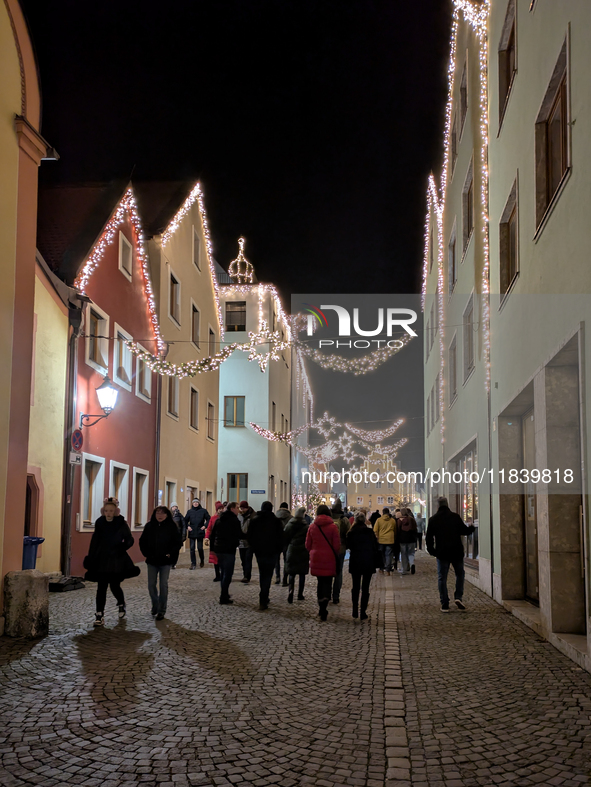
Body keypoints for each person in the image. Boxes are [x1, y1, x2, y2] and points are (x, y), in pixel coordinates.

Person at [83, 498, 139, 627]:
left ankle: (121, 603)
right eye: (106, 511)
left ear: (115, 511)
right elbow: (95, 541)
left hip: (116, 560)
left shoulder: (121, 523)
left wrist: (122, 547)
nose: (108, 513)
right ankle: (99, 614)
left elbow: (129, 539)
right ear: (103, 511)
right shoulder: (100, 523)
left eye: (111, 511)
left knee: (114, 585)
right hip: (102, 559)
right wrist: (91, 557)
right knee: (101, 587)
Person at [426, 496, 476, 612]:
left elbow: (429, 538)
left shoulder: (433, 519)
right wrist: (472, 527)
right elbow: (464, 531)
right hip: (456, 552)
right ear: (447, 504)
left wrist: (432, 551)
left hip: (442, 553)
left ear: (437, 506)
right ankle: (458, 596)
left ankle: (444, 603)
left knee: (442, 577)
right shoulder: (455, 517)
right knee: (460, 574)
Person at [139, 506, 183, 620]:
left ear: (167, 515)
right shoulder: (149, 526)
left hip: (165, 561)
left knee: (163, 584)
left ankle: (161, 610)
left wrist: (170, 554)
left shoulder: (172, 527)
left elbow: (177, 543)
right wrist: (146, 553)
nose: (160, 515)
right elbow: (142, 541)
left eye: (162, 513)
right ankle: (155, 604)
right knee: (151, 585)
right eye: (158, 512)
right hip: (152, 560)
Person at [305, 504, 341, 622]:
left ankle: (321, 606)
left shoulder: (312, 527)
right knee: (328, 582)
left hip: (316, 558)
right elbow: (336, 546)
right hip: (329, 558)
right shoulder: (333, 527)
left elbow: (307, 545)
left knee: (320, 582)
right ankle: (325, 602)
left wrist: (314, 551)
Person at [247, 501, 284, 610]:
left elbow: (250, 536)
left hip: (260, 552)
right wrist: (278, 551)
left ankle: (263, 596)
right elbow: (281, 538)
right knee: (268, 575)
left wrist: (254, 548)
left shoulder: (255, 521)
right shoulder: (276, 522)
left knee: (262, 573)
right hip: (272, 552)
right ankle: (264, 596)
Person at [346, 512, 380, 620]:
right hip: (368, 561)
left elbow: (348, 545)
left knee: (355, 587)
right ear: (364, 520)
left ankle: (355, 609)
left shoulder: (351, 532)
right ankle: (363, 611)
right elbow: (376, 546)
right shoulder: (369, 532)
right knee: (365, 588)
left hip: (355, 561)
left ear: (355, 520)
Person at [208, 501, 242, 604]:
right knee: (227, 573)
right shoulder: (234, 520)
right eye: (237, 508)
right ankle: (223, 596)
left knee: (223, 572)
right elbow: (238, 534)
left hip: (219, 549)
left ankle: (225, 593)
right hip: (228, 550)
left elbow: (212, 535)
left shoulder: (219, 519)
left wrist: (213, 549)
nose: (238, 510)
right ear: (232, 509)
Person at [283, 506, 309, 603]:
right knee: (302, 574)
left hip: (292, 549)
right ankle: (300, 594)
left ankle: (291, 592)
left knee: (292, 573)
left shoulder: (290, 525)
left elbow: (285, 536)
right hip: (303, 551)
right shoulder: (306, 526)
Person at [330, 500, 350, 604]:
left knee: (328, 571)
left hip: (329, 549)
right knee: (339, 571)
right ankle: (336, 596)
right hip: (341, 548)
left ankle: (327, 594)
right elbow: (348, 534)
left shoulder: (328, 518)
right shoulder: (344, 519)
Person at [184, 498, 210, 570]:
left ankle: (202, 560)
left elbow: (209, 519)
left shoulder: (203, 511)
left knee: (200, 548)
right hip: (192, 531)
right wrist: (187, 526)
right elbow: (185, 520)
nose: (195, 503)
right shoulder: (190, 511)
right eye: (194, 502)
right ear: (192, 504)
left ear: (199, 503)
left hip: (200, 531)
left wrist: (205, 526)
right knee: (192, 548)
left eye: (196, 502)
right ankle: (193, 563)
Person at [373, 507, 397, 575]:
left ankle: (381, 568)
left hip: (381, 540)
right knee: (388, 555)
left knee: (381, 555)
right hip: (390, 540)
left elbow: (375, 530)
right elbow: (395, 530)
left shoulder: (379, 520)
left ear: (382, 513)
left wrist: (377, 537)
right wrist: (394, 537)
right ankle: (388, 570)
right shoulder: (392, 520)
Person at [205, 502, 223, 581]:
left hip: (222, 540)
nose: (221, 510)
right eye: (219, 509)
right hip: (214, 540)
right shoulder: (213, 518)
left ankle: (223, 574)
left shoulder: (225, 518)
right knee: (215, 559)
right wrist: (206, 537)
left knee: (222, 558)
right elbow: (209, 528)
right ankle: (217, 575)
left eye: (222, 508)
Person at [275, 502, 292, 585]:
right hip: (286, 541)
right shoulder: (290, 518)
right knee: (286, 560)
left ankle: (277, 577)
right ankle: (285, 579)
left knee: (276, 560)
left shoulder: (275, 517)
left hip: (277, 541)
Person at [238, 501, 254, 583]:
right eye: (241, 508)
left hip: (249, 542)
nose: (242, 510)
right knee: (243, 560)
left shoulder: (252, 516)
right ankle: (245, 574)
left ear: (247, 508)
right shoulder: (239, 516)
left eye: (243, 508)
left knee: (248, 560)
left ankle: (247, 576)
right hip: (241, 542)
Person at [398, 507, 418, 576]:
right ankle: (412, 563)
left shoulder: (400, 520)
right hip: (411, 539)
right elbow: (415, 528)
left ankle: (404, 570)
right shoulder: (411, 519)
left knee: (403, 554)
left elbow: (398, 530)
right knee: (411, 553)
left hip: (402, 539)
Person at [170, 504, 186, 569]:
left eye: (175, 506)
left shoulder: (180, 516)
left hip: (178, 535)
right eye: (173, 506)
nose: (174, 508)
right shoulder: (168, 515)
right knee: (170, 550)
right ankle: (170, 562)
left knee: (176, 550)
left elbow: (184, 526)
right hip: (170, 536)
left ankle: (174, 563)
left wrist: (183, 535)